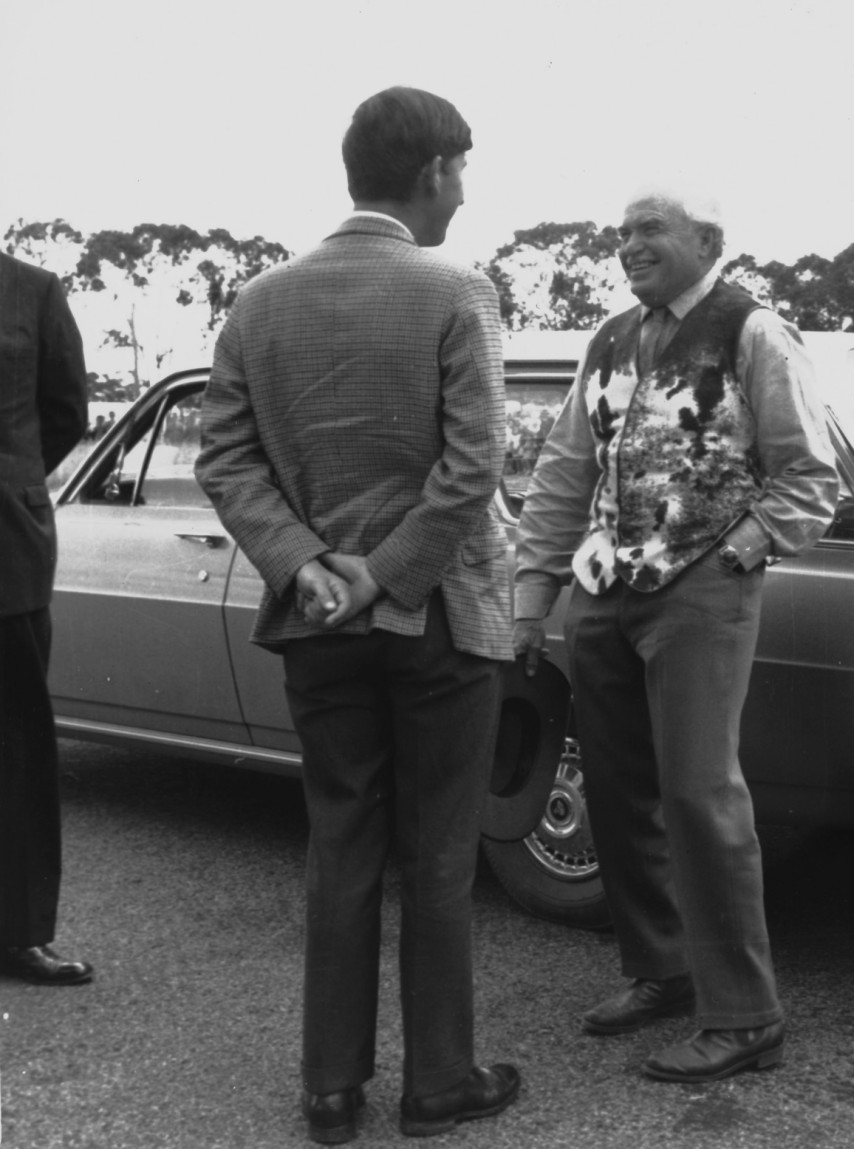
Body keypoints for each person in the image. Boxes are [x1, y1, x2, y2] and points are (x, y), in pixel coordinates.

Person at [195, 86, 519, 1142]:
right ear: (431, 171)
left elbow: (224, 458)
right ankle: (439, 1082)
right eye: (460, 171)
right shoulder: (456, 291)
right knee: (436, 853)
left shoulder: (258, 301)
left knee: (340, 846)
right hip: (437, 616)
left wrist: (306, 564)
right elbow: (474, 468)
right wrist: (389, 575)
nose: (463, 193)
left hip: (317, 622)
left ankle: (330, 1087)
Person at [513, 184, 839, 1083]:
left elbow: (811, 474)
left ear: (708, 240)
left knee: (700, 794)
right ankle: (660, 968)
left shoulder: (754, 330)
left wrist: (744, 546)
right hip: (606, 591)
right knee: (619, 794)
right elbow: (564, 468)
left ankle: (745, 1014)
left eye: (649, 230)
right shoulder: (611, 339)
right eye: (620, 235)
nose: (628, 246)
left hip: (702, 590)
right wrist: (531, 599)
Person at [0, 252, 92, 986]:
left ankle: (20, 934)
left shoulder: (32, 290)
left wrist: (16, 478)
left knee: (17, 747)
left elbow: (66, 413)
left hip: (7, 552)